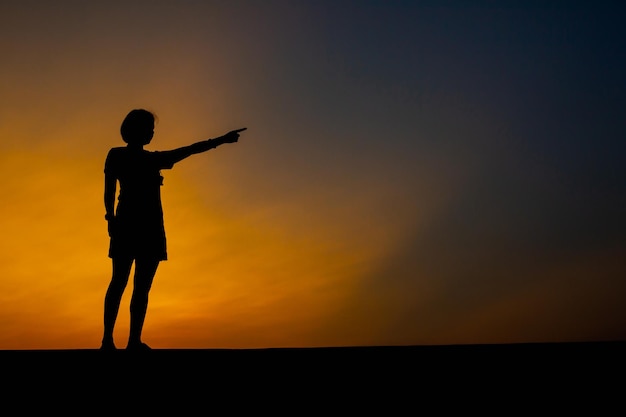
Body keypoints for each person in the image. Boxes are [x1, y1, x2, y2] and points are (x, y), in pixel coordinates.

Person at [100, 108, 245, 351]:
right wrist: (111, 219)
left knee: (130, 284)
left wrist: (111, 219)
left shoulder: (127, 157)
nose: (152, 133)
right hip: (138, 227)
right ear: (138, 131)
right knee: (128, 284)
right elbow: (109, 190)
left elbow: (188, 150)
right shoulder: (133, 158)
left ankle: (123, 340)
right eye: (149, 129)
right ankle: (116, 340)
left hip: (138, 226)